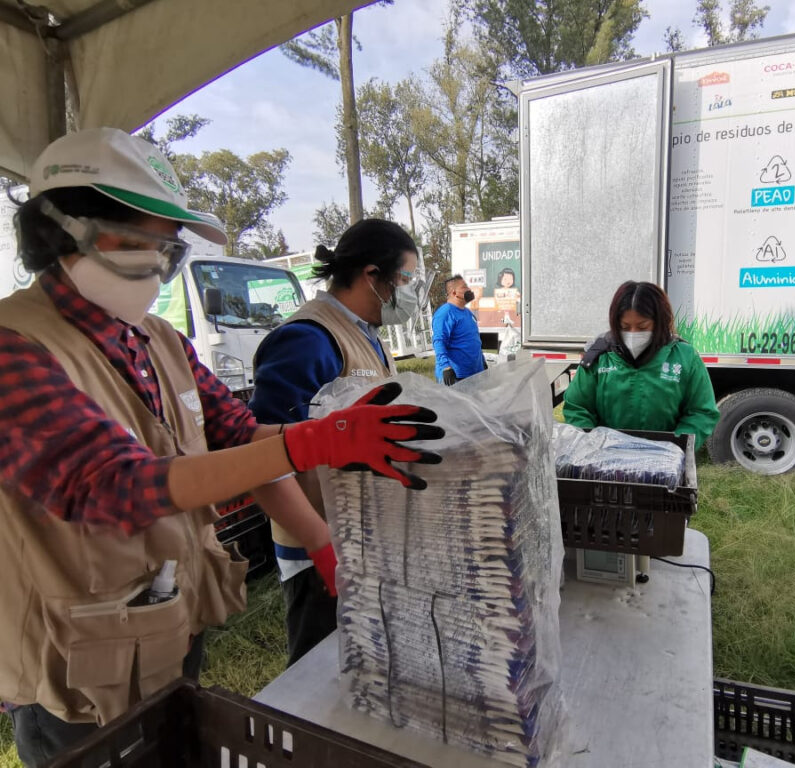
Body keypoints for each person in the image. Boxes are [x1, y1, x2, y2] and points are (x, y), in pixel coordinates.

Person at [0, 128, 443, 767]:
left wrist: (320, 534)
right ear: (60, 231)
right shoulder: (17, 347)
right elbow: (115, 486)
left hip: (168, 627)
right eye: (137, 245)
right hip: (77, 665)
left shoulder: (160, 342)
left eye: (166, 252)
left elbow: (242, 439)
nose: (155, 269)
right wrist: (310, 440)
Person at [249, 218, 423, 667]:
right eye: (407, 279)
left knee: (360, 666)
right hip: (319, 549)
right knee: (318, 672)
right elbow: (263, 456)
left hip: (360, 538)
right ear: (372, 276)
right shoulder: (307, 339)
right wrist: (320, 543)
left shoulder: (366, 333)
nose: (411, 293)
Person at [563, 280, 719, 447]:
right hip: (606, 459)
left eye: (643, 327)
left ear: (659, 322)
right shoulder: (599, 357)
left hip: (665, 460)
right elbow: (577, 406)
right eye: (624, 327)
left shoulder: (685, 357)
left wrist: (676, 446)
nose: (633, 334)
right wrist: (592, 444)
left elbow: (701, 412)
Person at [433, 274, 486, 386]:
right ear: (454, 293)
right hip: (455, 377)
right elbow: (439, 341)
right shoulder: (445, 313)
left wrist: (483, 362)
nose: (469, 289)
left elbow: (474, 340)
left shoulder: (468, 313)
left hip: (474, 374)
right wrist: (445, 367)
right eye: (464, 287)